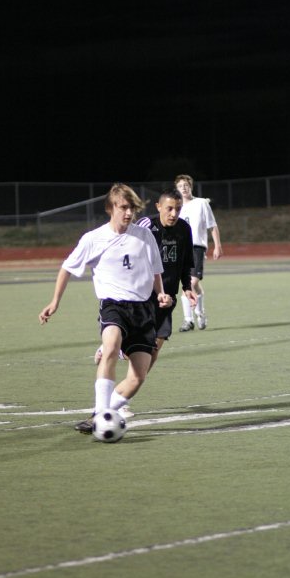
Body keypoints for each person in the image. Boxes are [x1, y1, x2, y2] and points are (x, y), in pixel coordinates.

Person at [38, 183, 172, 433]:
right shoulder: (93, 239)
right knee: (110, 347)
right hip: (113, 306)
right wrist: (55, 301)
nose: (129, 213)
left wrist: (161, 293)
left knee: (138, 377)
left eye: (132, 208)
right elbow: (67, 267)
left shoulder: (145, 236)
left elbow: (155, 270)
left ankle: (103, 412)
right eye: (123, 207)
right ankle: (101, 413)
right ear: (111, 208)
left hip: (143, 310)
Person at [94, 187, 197, 415]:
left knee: (154, 350)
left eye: (178, 209)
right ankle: (112, 349)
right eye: (169, 208)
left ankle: (119, 396)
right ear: (158, 207)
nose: (173, 213)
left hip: (166, 298)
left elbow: (186, 261)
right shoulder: (145, 227)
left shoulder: (184, 229)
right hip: (142, 298)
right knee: (135, 345)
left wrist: (188, 288)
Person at [174, 174, 223, 331]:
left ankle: (194, 317)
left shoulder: (201, 203)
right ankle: (193, 317)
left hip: (196, 248)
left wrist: (217, 245)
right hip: (181, 248)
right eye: (181, 185)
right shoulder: (176, 207)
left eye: (186, 185)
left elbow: (212, 225)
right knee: (191, 284)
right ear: (177, 189)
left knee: (192, 282)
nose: (184, 187)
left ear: (191, 187)